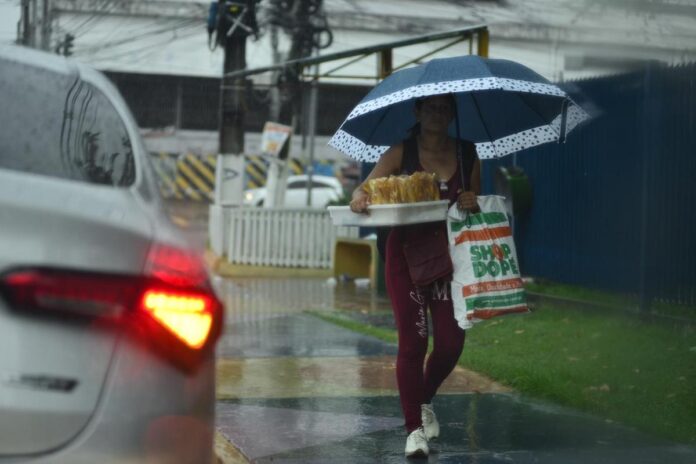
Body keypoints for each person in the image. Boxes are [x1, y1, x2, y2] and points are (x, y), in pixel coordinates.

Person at [349, 94, 480, 458]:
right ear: (418, 112)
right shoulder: (399, 153)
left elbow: (474, 205)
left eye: (445, 108)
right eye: (431, 108)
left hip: (448, 260)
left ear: (452, 114)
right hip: (405, 257)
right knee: (413, 343)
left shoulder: (468, 154)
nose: (438, 114)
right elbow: (363, 189)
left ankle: (422, 399)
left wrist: (472, 201)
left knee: (452, 344)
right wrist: (360, 198)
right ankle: (414, 431)